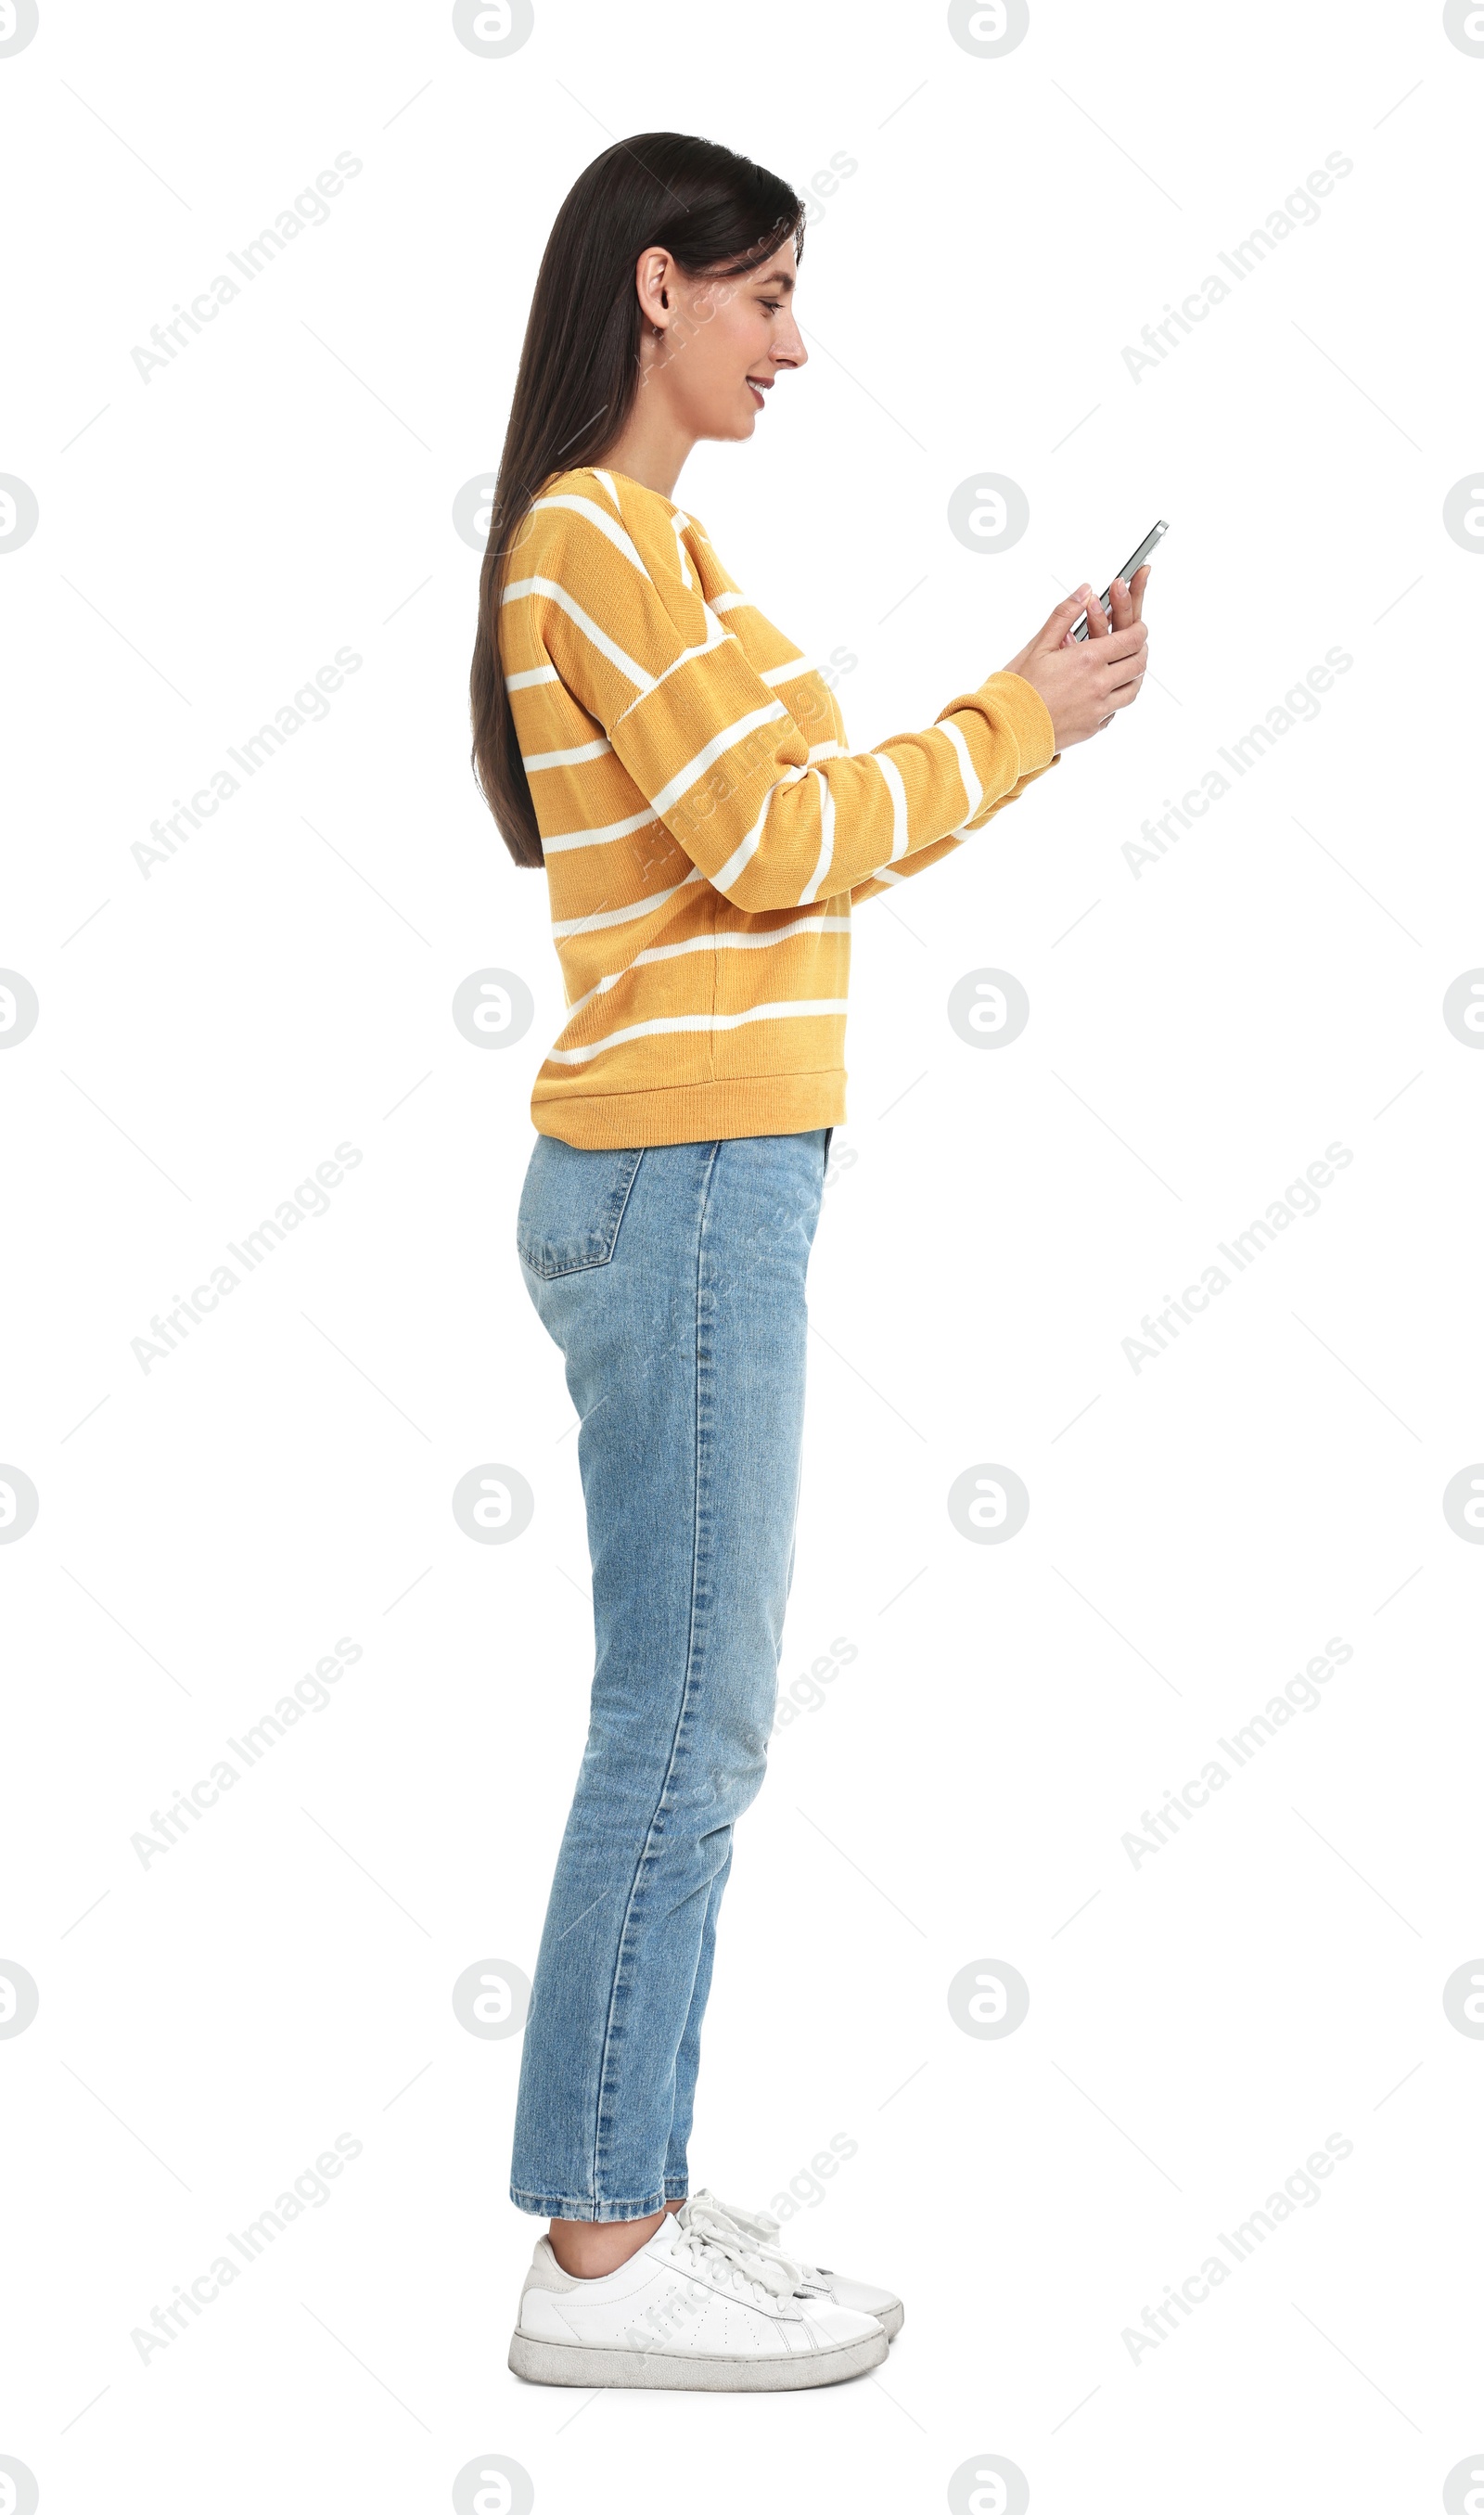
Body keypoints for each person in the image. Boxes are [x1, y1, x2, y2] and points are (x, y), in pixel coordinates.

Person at [467, 130, 1151, 2393]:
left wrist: (997, 701)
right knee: (685, 1715)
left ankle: (627, 2189)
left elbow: (802, 812)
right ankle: (594, 2256)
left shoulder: (663, 556)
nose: (793, 339)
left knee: (689, 1707)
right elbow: (776, 845)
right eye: (762, 294)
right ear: (655, 294)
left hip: (709, 1166)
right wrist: (1014, 735)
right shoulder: (589, 544)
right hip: (680, 1171)